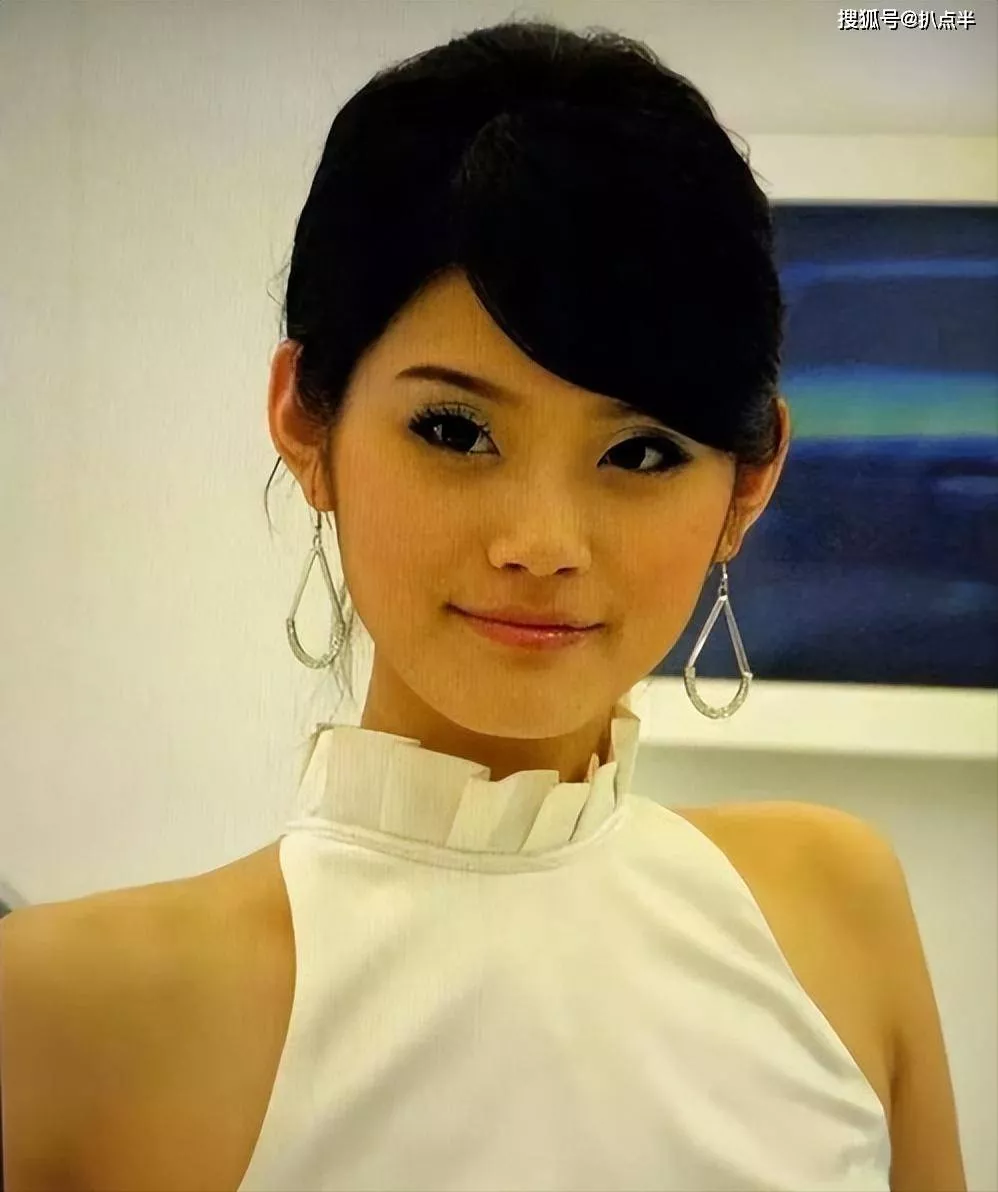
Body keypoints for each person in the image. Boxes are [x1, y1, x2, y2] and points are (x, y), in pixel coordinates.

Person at [0, 18, 965, 1192]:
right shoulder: (64, 1016)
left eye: (641, 452)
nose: (540, 543)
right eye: (455, 431)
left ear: (747, 485)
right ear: (305, 420)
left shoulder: (836, 913)